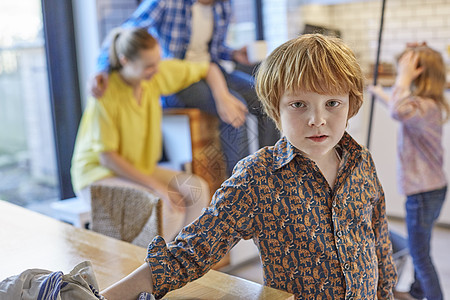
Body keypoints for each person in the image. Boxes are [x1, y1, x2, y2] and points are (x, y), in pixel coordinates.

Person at [100, 34, 398, 300]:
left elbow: (379, 244)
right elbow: (190, 253)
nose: (317, 119)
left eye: (332, 103)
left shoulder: (361, 162)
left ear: (352, 103)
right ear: (276, 107)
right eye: (299, 105)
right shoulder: (258, 177)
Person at [71, 27, 247, 240]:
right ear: (125, 61)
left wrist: (222, 97)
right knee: (166, 206)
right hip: (98, 174)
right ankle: (148, 269)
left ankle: (181, 263)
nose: (156, 69)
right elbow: (107, 158)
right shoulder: (105, 92)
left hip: (139, 167)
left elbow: (208, 69)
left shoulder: (154, 75)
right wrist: (158, 187)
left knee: (196, 189)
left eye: (158, 61)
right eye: (149, 65)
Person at [91, 0, 280, 176]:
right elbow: (126, 32)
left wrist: (233, 53)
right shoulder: (168, 2)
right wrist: (102, 69)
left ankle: (270, 171)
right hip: (180, 80)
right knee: (234, 108)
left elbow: (212, 51)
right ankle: (240, 187)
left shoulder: (223, 5)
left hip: (210, 70)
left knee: (267, 96)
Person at [369, 44, 449, 300]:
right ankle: (417, 293)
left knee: (420, 255)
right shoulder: (428, 104)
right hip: (431, 189)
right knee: (421, 247)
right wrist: (380, 93)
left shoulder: (421, 106)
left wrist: (402, 77)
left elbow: (397, 110)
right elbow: (397, 106)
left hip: (422, 193)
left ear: (418, 73)